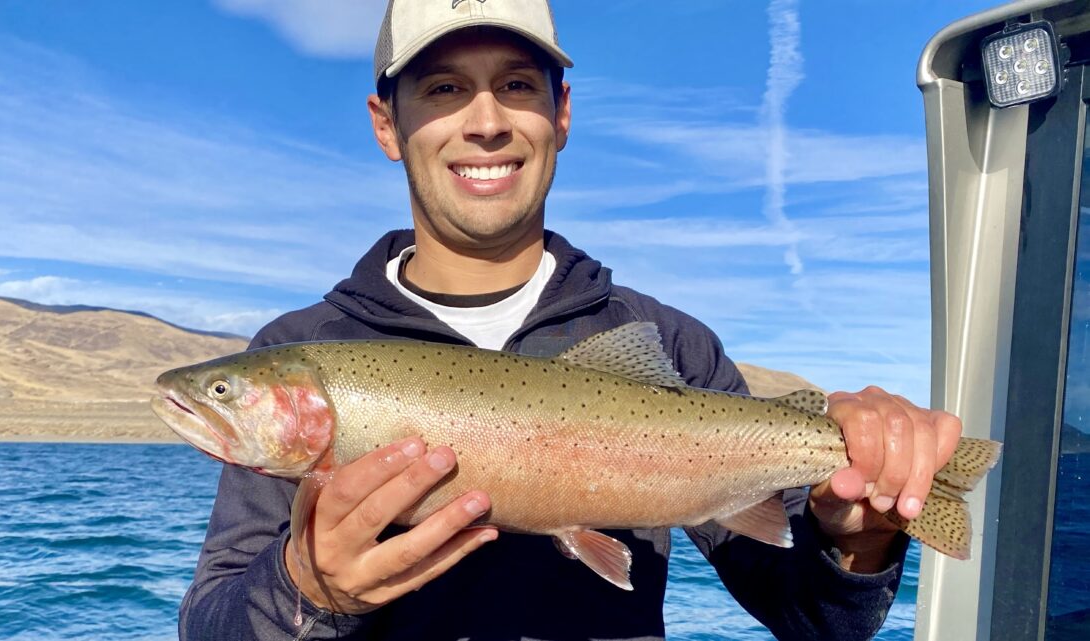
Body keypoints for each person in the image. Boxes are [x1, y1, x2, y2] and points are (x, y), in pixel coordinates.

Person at [179, 1, 963, 639]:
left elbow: (816, 619)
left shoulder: (674, 341)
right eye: (444, 89)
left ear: (562, 113)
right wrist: (306, 588)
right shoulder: (299, 347)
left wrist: (857, 537)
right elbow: (209, 623)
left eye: (517, 85)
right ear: (387, 123)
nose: (485, 121)